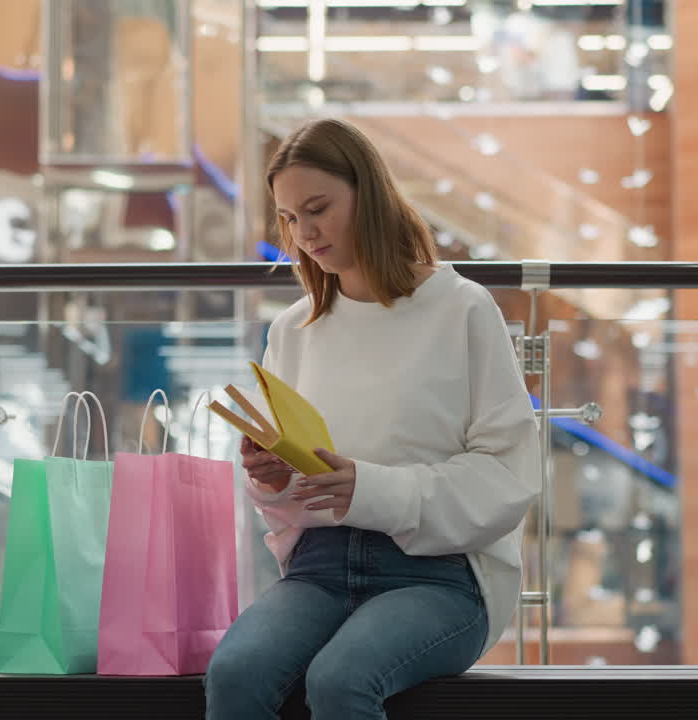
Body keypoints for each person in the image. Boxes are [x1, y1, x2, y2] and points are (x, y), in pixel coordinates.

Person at [203, 118, 540, 720]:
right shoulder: (293, 330)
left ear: (369, 194)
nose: (304, 233)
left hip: (438, 577)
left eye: (318, 208)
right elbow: (287, 510)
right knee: (234, 674)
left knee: (341, 681)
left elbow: (507, 476)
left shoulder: (462, 309)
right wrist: (272, 479)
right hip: (319, 568)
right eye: (289, 218)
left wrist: (374, 488)